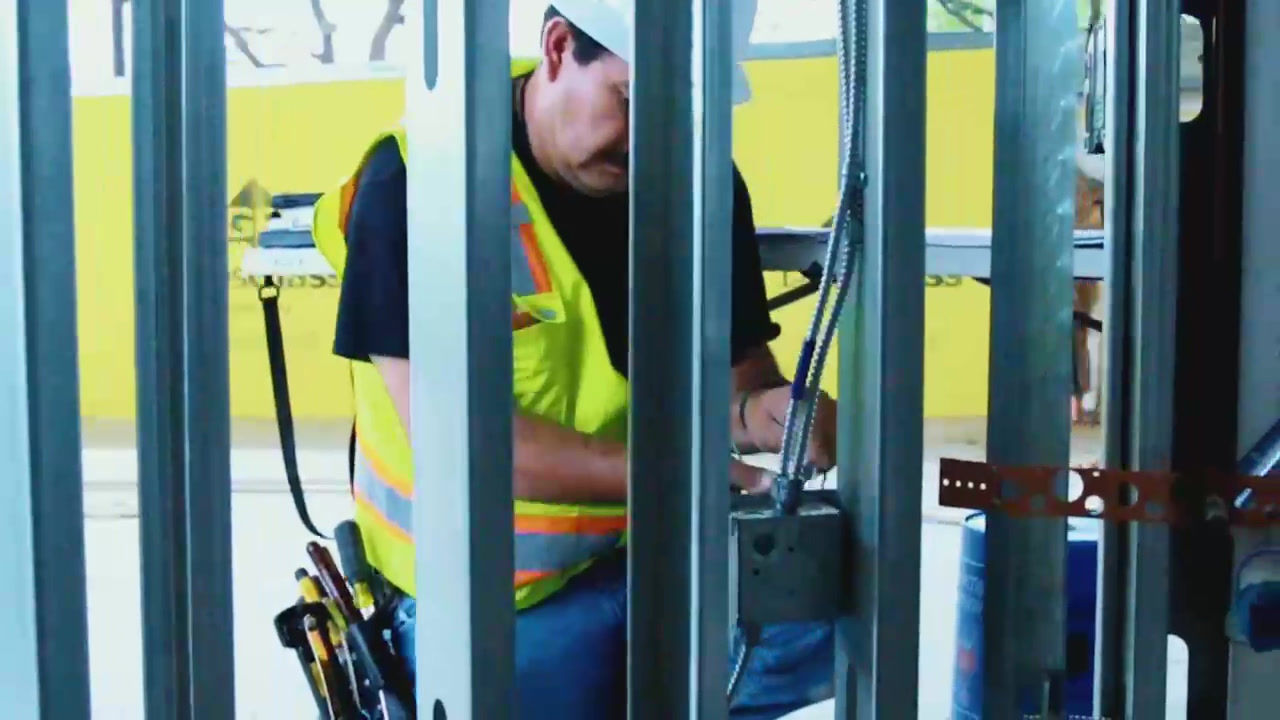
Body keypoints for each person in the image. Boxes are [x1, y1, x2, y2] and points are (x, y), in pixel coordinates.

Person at [311, 1, 839, 717]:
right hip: (492, 600)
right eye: (629, 100)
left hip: (647, 555)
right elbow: (463, 444)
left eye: (679, 113)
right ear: (559, 48)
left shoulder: (699, 182)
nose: (650, 140)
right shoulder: (421, 178)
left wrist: (764, 415)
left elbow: (735, 385)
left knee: (839, 601)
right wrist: (681, 477)